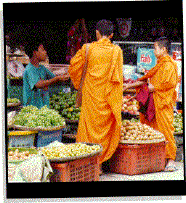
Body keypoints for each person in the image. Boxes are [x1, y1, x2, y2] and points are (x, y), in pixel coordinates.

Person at [68, 20, 123, 168]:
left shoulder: (88, 49)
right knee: (105, 130)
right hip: (107, 99)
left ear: (97, 33)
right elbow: (118, 80)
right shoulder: (117, 51)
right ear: (111, 34)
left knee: (88, 130)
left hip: (91, 98)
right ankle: (100, 164)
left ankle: (89, 164)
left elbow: (73, 66)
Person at [123, 37, 179, 171]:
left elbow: (170, 84)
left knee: (166, 130)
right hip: (154, 103)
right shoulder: (159, 64)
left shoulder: (170, 65)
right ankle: (158, 159)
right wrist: (127, 86)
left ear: (163, 49)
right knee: (152, 130)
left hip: (163, 104)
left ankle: (171, 159)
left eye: (155, 48)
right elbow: (147, 81)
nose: (154, 51)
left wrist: (154, 88)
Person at [23, 38, 69, 109]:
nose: (45, 52)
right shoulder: (29, 69)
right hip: (32, 110)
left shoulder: (42, 68)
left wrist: (66, 73)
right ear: (35, 52)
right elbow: (38, 84)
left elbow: (54, 76)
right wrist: (57, 78)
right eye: (43, 50)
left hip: (43, 108)